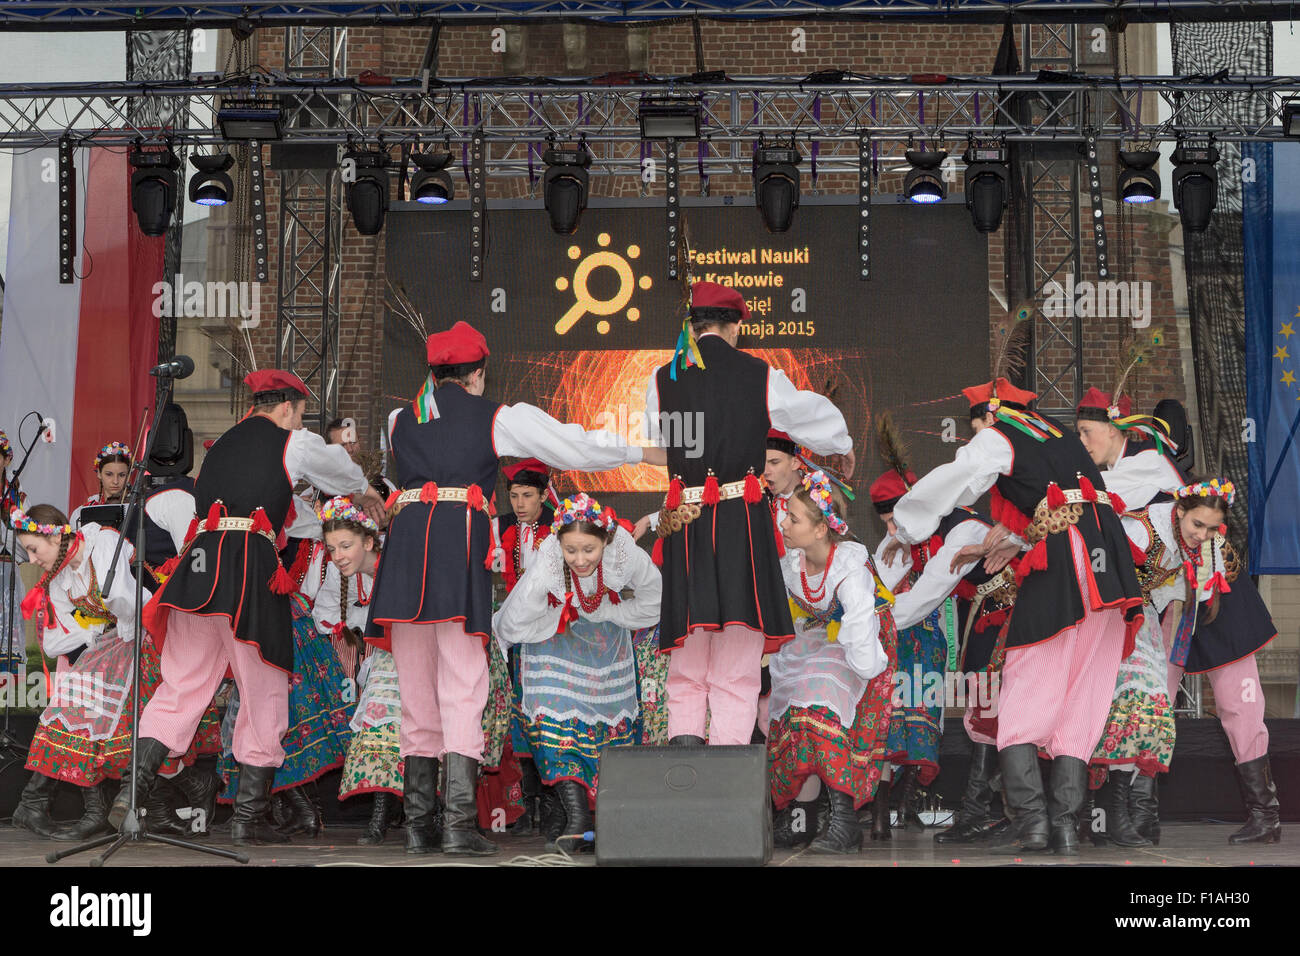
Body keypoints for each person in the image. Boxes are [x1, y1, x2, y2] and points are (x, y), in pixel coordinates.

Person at [364, 321, 660, 856]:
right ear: (477, 373)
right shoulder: (496, 417)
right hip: (455, 555)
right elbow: (574, 445)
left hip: (405, 557)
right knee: (462, 685)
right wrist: (644, 456)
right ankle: (455, 826)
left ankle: (418, 827)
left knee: (416, 690)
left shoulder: (397, 419)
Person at [113, 369, 382, 846]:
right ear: (287, 408)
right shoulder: (291, 442)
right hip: (245, 573)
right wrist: (363, 489)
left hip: (198, 571)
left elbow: (285, 514)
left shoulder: (222, 448)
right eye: (299, 413)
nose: (299, 422)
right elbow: (338, 470)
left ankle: (131, 793)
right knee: (264, 692)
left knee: (182, 687)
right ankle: (246, 819)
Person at [884, 375, 1143, 855]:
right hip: (1109, 574)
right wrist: (1020, 537)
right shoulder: (1060, 436)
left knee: (1022, 690)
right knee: (1080, 697)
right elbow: (1065, 505)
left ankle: (1034, 825)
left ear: (988, 416)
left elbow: (959, 476)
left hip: (1064, 567)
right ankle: (1064, 827)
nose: (976, 435)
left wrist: (907, 523)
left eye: (976, 426)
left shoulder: (999, 434)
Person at [645, 281, 853, 749]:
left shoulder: (663, 378)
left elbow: (657, 445)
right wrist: (842, 445)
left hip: (688, 521)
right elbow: (815, 417)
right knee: (738, 656)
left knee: (689, 647)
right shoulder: (759, 375)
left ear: (692, 328)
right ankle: (726, 774)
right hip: (741, 519)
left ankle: (685, 757)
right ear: (734, 325)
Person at [1076, 387, 1280, 844]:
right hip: (1169, 608)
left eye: (1088, 433)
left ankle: (1264, 813)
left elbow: (1089, 497)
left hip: (1217, 605)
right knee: (1154, 701)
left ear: (1117, 428)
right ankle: (1140, 813)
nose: (1084, 445)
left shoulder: (1147, 460)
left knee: (1239, 705)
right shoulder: (1137, 482)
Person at [10, 505, 212, 841]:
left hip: (156, 632)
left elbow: (128, 600)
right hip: (122, 640)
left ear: (57, 534)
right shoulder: (61, 578)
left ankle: (168, 798)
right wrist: (96, 640)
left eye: (33, 549)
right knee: (88, 710)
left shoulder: (103, 543)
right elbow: (61, 637)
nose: (32, 560)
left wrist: (102, 640)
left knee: (140, 724)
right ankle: (120, 809)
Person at [493, 493, 661, 850]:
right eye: (572, 550)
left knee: (606, 731)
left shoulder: (623, 551)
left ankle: (599, 821)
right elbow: (513, 622)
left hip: (606, 646)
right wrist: (556, 618)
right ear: (560, 544)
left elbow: (656, 599)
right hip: (555, 642)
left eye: (588, 549)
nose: (580, 560)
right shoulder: (548, 561)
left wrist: (610, 613)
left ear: (605, 539)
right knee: (556, 729)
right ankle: (578, 818)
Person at [768, 472, 892, 853]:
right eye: (786, 515)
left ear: (822, 529)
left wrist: (862, 672)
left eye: (793, 519)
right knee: (794, 708)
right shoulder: (792, 564)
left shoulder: (849, 569)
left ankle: (846, 823)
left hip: (867, 640)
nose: (783, 524)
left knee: (822, 704)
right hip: (819, 634)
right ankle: (802, 818)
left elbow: (859, 629)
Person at [313, 496, 401, 845]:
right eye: (332, 548)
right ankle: (380, 817)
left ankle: (428, 816)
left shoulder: (393, 566)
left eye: (345, 546)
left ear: (368, 541)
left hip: (414, 652)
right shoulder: (342, 574)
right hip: (385, 657)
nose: (338, 556)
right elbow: (326, 612)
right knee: (379, 725)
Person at [869, 466, 947, 836]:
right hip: (896, 644)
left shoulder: (939, 539)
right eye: (886, 523)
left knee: (916, 723)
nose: (891, 531)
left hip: (924, 644)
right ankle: (884, 815)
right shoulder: (889, 549)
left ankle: (902, 805)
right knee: (892, 725)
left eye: (894, 521)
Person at [491, 458, 558, 837]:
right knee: (518, 717)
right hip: (515, 634)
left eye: (527, 496)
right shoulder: (499, 526)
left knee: (548, 714)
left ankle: (553, 807)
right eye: (514, 496)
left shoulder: (559, 527)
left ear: (544, 495)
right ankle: (521, 803)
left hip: (551, 633)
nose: (519, 503)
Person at [70, 442, 132, 528]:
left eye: (122, 475)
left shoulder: (137, 508)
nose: (115, 481)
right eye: (109, 474)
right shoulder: (81, 512)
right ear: (99, 473)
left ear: (128, 476)